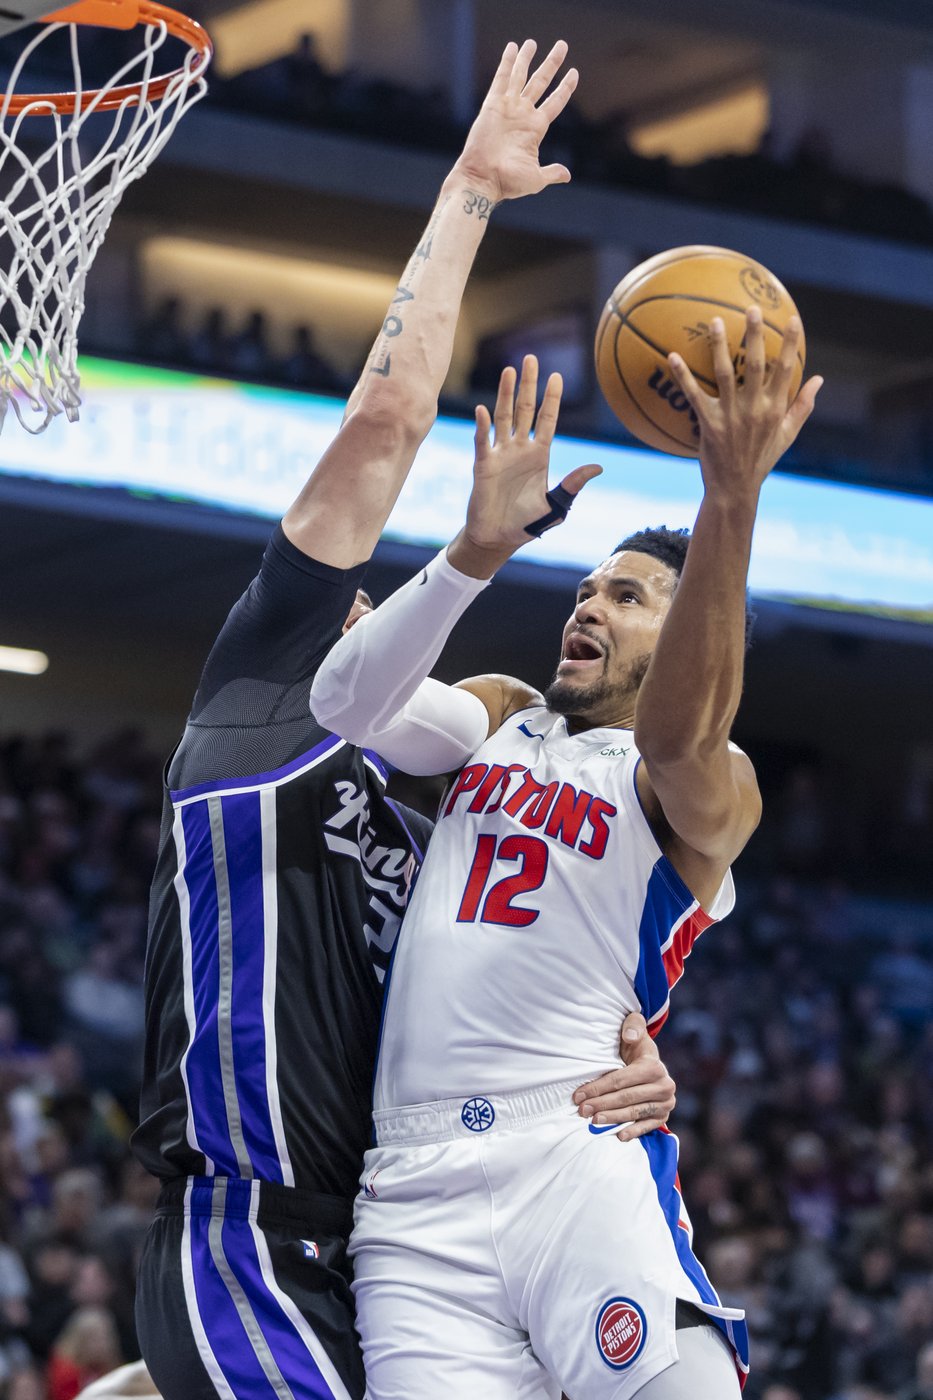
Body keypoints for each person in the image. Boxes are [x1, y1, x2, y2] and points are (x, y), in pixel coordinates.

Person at [121, 39, 674, 1400]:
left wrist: (632, 1052)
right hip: (245, 1232)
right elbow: (388, 416)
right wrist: (470, 192)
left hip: (393, 1250)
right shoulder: (264, 686)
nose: (362, 595)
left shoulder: (443, 827)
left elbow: (516, 974)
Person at [309, 314, 823, 1397]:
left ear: (688, 635)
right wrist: (477, 551)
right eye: (586, 590)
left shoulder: (706, 781)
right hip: (411, 1190)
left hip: (572, 1146)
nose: (588, 605)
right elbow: (349, 703)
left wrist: (729, 499)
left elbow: (677, 736)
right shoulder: (504, 713)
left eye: (627, 597)